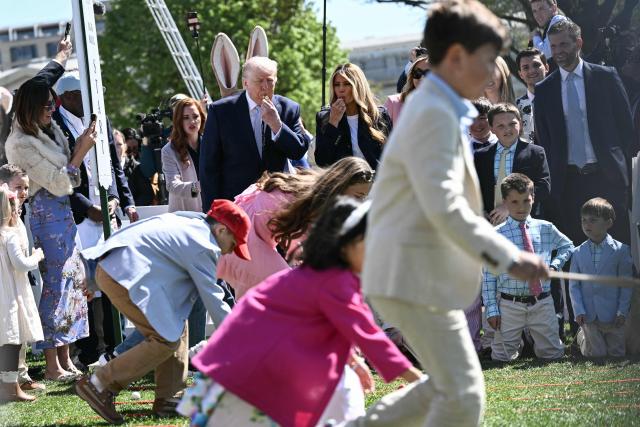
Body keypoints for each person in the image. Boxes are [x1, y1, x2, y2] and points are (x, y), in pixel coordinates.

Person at [344, 1, 548, 425]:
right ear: (456, 57)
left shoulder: (441, 110)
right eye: (487, 60)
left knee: (447, 387)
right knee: (463, 394)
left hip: (417, 274)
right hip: (409, 275)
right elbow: (445, 206)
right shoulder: (433, 113)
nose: (494, 72)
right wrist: (508, 257)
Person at [182, 197, 422, 427]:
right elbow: (368, 336)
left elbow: (333, 324)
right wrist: (419, 380)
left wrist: (352, 359)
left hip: (230, 371)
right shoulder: (336, 280)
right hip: (251, 379)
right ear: (350, 242)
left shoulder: (311, 274)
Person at [75, 199, 249, 424]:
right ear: (222, 229)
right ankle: (99, 384)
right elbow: (214, 298)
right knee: (164, 340)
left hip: (117, 270)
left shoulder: (191, 222)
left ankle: (170, 398)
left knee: (175, 324)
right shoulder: (204, 243)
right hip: (122, 275)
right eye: (233, 243)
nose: (231, 251)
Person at [5, 71, 96, 381]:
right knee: (55, 287)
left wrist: (76, 156)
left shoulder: (46, 133)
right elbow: (58, 181)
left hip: (63, 215)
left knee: (73, 282)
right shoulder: (19, 143)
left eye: (52, 105)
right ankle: (52, 363)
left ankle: (66, 356)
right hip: (45, 217)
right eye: (46, 106)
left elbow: (69, 177)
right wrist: (80, 152)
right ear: (30, 107)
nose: (52, 110)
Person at [534, 19, 636, 246]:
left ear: (578, 42)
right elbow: (545, 139)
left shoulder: (606, 77)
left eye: (563, 45)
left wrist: (619, 168)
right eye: (554, 46)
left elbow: (626, 129)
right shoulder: (544, 90)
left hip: (607, 177)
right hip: (568, 183)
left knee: (618, 247)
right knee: (575, 250)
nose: (558, 51)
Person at [482, 173, 573, 361]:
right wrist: (492, 308)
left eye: (526, 201)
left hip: (542, 302)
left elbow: (567, 245)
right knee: (502, 356)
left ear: (533, 199)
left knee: (553, 354)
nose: (521, 207)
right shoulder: (495, 235)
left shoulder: (545, 228)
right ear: (505, 202)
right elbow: (489, 276)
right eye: (514, 202)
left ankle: (544, 348)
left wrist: (555, 266)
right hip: (509, 304)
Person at [200, 56, 309, 206]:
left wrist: (277, 125)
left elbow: (298, 151)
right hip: (236, 203)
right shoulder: (221, 111)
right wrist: (212, 209)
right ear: (245, 83)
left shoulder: (289, 108)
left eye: (270, 80)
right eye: (259, 81)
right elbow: (209, 166)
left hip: (276, 202)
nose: (265, 86)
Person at [217, 169, 320, 299]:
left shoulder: (291, 190)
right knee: (286, 290)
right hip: (245, 245)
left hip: (237, 236)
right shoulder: (303, 204)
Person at [269, 157, 375, 255]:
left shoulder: (329, 200)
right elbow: (297, 245)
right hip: (258, 225)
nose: (360, 203)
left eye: (363, 197)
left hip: (267, 231)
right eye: (358, 196)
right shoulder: (317, 200)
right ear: (342, 185)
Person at [0, 165, 45, 392]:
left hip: (17, 282)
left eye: (26, 188)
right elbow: (17, 258)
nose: (23, 192)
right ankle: (12, 380)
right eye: (18, 187)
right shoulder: (7, 223)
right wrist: (36, 257)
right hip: (8, 284)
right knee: (11, 330)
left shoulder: (16, 216)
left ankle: (20, 375)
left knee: (19, 328)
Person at [569, 198, 633, 357]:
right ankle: (581, 338)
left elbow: (626, 285)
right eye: (583, 220)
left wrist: (622, 312)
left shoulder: (621, 250)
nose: (586, 224)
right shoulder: (577, 253)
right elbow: (574, 285)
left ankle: (587, 338)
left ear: (608, 223)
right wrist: (579, 310)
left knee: (617, 354)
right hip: (589, 315)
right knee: (596, 354)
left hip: (613, 315)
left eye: (593, 220)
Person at [474, 102, 550, 225]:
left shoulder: (535, 153)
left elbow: (543, 186)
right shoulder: (481, 156)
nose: (507, 129)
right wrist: (479, 210)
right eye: (500, 126)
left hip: (524, 220)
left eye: (512, 124)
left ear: (520, 124)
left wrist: (510, 207)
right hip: (490, 221)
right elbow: (475, 187)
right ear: (492, 128)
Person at [315, 63, 392, 170]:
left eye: (347, 84)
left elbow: (392, 154)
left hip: (376, 182)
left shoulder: (378, 115)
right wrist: (333, 123)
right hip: (343, 183)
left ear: (358, 86)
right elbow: (322, 161)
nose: (341, 89)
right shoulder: (324, 118)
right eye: (337, 84)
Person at [162, 97, 206, 214]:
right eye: (186, 118)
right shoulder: (168, 150)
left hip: (212, 213)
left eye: (195, 116)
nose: (192, 121)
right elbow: (172, 185)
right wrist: (200, 187)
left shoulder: (211, 144)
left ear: (201, 117)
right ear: (178, 121)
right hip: (183, 217)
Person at [515, 48, 549, 143]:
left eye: (536, 65)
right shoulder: (516, 107)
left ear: (546, 68)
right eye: (526, 67)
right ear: (520, 74)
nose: (532, 70)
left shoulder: (562, 98)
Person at [384, 55, 430, 125]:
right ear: (411, 77)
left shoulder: (448, 103)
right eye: (417, 73)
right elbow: (381, 134)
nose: (422, 78)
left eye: (428, 73)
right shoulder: (393, 102)